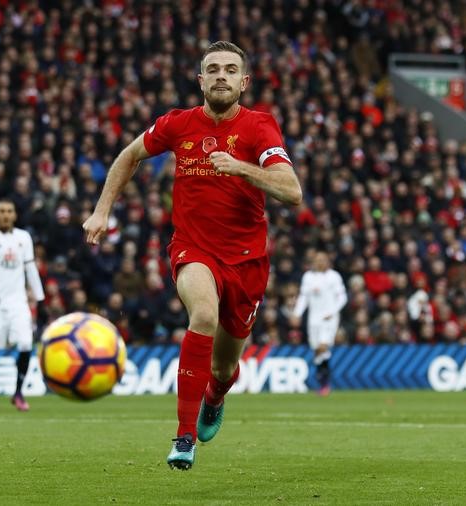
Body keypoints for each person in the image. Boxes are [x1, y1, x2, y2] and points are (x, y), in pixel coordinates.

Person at [82, 41, 302, 470]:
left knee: (223, 370)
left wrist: (241, 168)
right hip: (193, 249)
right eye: (213, 69)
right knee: (202, 314)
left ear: (244, 82)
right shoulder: (178, 124)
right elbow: (129, 156)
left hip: (247, 260)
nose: (222, 75)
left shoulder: (260, 127)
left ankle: (214, 397)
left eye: (230, 70)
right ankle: (184, 437)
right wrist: (101, 209)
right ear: (200, 80)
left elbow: (291, 191)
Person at [0, 199, 45, 412]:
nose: (5, 215)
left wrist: (40, 298)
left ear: (14, 215)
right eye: (1, 211)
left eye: (9, 211)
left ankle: (18, 393)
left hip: (18, 303)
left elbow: (31, 269)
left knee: (25, 344)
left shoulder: (24, 237)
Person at [292, 251, 348, 396]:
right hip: (313, 319)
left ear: (328, 261)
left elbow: (342, 297)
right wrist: (297, 314)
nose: (320, 262)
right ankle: (323, 382)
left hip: (329, 319)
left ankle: (324, 382)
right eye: (317, 260)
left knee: (323, 347)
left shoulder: (334, 276)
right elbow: (304, 297)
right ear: (313, 262)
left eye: (323, 259)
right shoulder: (308, 277)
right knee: (317, 351)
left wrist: (333, 311)